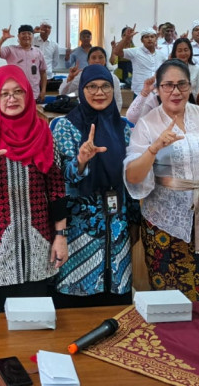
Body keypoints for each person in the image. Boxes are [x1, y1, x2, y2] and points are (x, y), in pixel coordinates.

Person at [125, 59, 199, 300]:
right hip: (164, 221)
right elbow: (133, 176)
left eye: (181, 84)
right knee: (168, 298)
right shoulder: (146, 123)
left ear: (190, 86)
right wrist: (154, 148)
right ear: (158, 89)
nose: (175, 91)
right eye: (168, 85)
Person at [0, 65, 68, 313]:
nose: (11, 98)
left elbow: (56, 188)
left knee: (37, 318)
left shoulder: (43, 133)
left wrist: (61, 235)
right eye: (4, 93)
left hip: (39, 240)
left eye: (18, 91)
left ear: (27, 93)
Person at [52, 65, 138, 307]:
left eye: (105, 86)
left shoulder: (124, 127)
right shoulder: (66, 126)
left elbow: (129, 180)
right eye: (92, 86)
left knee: (115, 299)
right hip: (78, 228)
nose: (99, 92)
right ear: (82, 90)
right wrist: (81, 161)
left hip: (118, 225)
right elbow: (62, 178)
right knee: (77, 300)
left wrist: (135, 220)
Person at [0, 25, 48, 103]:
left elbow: (43, 73)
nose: (26, 36)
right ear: (18, 36)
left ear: (32, 36)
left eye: (29, 33)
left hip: (34, 94)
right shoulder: (11, 50)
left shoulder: (38, 52)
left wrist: (43, 90)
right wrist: (3, 38)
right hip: (15, 94)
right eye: (23, 33)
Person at [59, 47, 123, 112]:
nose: (97, 61)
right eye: (93, 58)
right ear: (88, 61)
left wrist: (114, 116)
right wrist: (70, 79)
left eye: (100, 57)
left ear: (105, 60)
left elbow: (117, 100)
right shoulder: (81, 76)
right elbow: (63, 92)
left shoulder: (113, 78)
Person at [113, 26, 168, 94]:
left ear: (156, 39)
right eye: (146, 37)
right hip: (139, 91)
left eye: (152, 37)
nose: (149, 39)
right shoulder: (136, 52)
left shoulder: (161, 54)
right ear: (141, 40)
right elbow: (117, 52)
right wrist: (126, 38)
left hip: (156, 91)